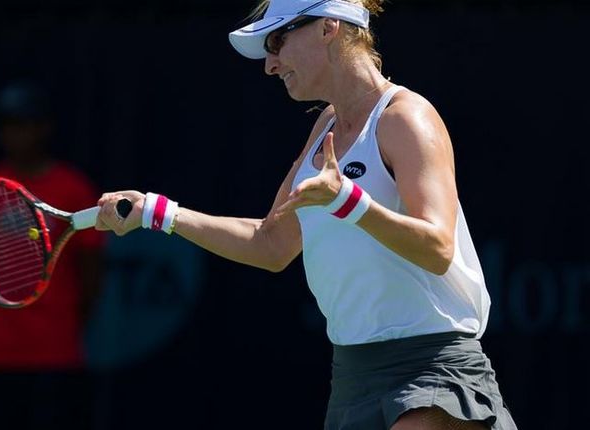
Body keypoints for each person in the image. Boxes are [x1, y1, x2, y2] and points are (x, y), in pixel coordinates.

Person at [94, 1, 517, 429]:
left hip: (433, 370)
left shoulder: (405, 118)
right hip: (353, 378)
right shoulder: (325, 129)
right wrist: (160, 214)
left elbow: (438, 248)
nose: (270, 65)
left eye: (277, 42)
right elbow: (271, 244)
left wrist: (347, 202)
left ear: (328, 28)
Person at [0, 80, 105, 430]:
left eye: (23, 124)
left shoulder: (74, 187)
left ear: (44, 127)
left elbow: (92, 271)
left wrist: (68, 322)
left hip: (56, 353)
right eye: (6, 125)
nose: (13, 134)